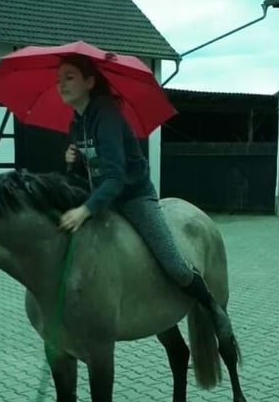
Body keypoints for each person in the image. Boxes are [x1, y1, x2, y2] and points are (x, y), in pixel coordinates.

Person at [56, 54, 233, 341]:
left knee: (174, 264)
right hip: (104, 201)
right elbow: (89, 175)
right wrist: (72, 163)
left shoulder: (107, 116)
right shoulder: (77, 123)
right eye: (58, 78)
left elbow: (114, 178)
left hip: (134, 198)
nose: (61, 84)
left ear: (89, 81)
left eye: (69, 77)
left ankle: (211, 306)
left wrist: (85, 210)